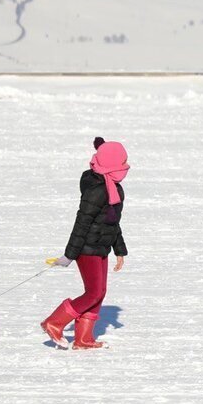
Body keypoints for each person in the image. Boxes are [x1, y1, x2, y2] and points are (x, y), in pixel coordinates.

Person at [42, 137, 129, 350]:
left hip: (102, 247)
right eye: (123, 162)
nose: (126, 166)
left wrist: (119, 250)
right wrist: (69, 255)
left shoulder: (114, 188)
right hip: (86, 248)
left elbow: (112, 222)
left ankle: (83, 339)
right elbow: (81, 223)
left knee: (100, 292)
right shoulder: (97, 190)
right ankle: (54, 322)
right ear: (112, 165)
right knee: (93, 292)